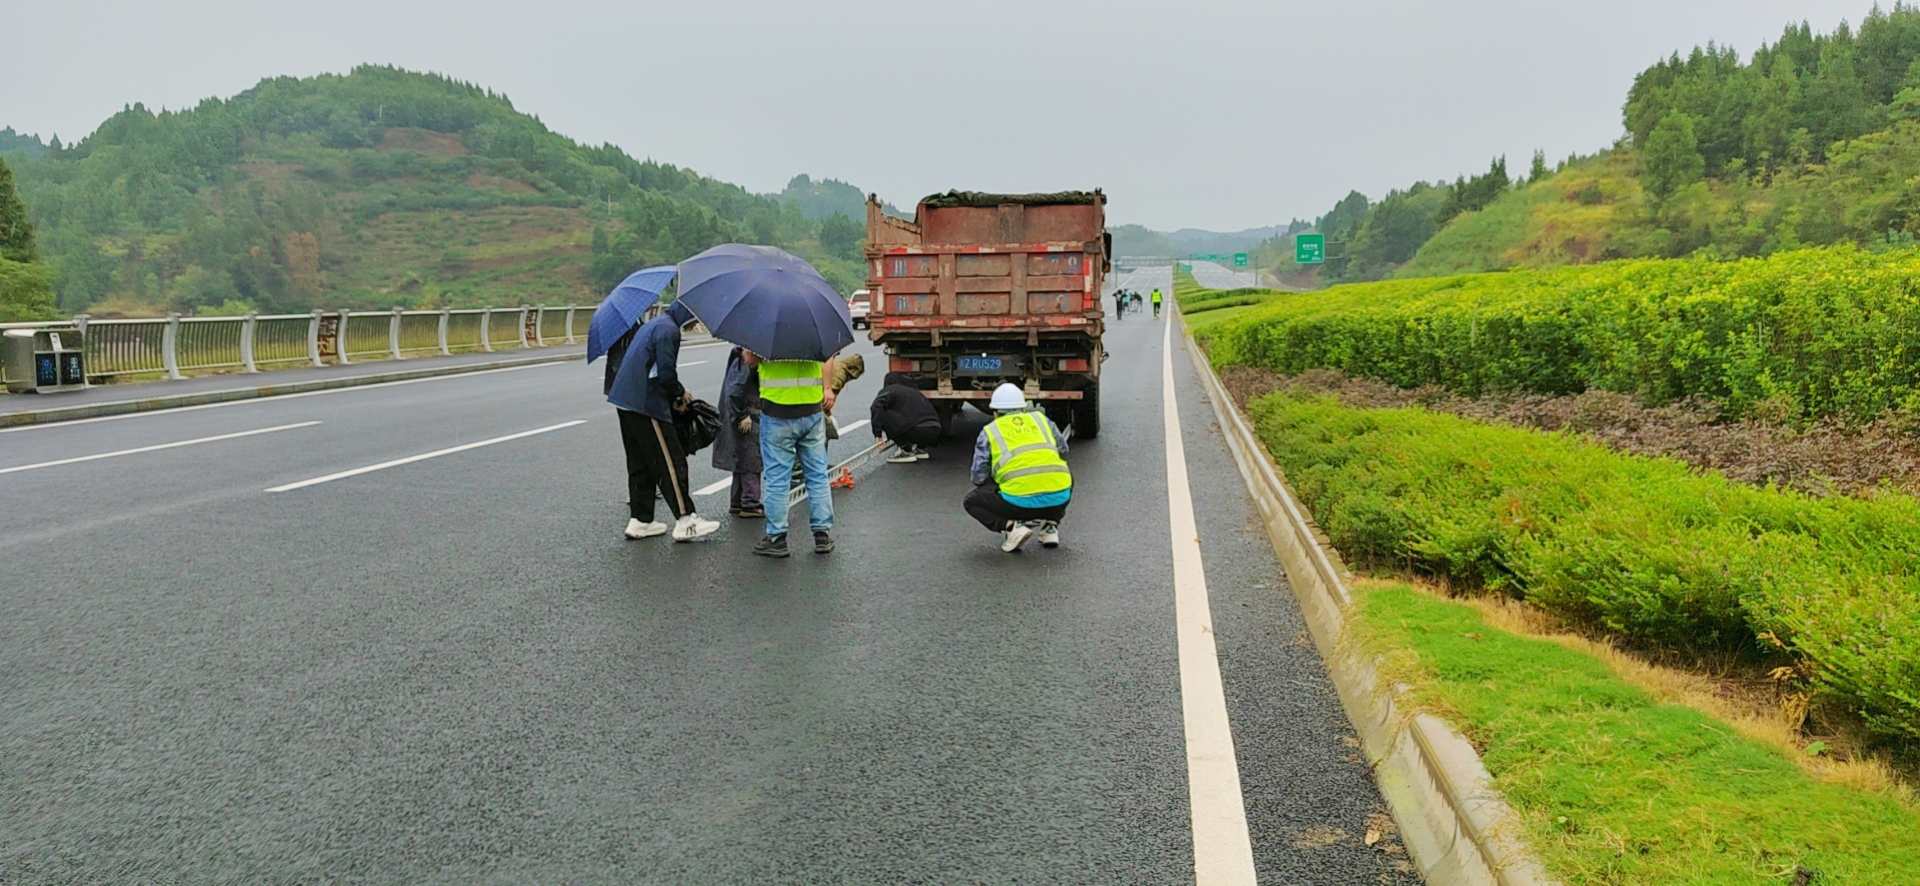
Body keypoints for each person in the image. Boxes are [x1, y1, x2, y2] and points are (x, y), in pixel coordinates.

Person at [606, 301, 720, 542]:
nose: (697, 324)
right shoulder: (669, 331)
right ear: (688, 315)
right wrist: (680, 394)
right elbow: (666, 374)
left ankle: (640, 520)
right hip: (646, 403)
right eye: (696, 318)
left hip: (625, 401)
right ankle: (686, 520)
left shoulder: (654, 324)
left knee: (641, 463)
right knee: (671, 460)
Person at [964, 383, 1072, 553]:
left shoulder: (990, 431)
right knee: (1062, 473)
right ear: (1023, 408)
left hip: (1017, 505)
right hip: (1058, 500)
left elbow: (978, 476)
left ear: (995, 412)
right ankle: (1050, 527)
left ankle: (1012, 527)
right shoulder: (1042, 420)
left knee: (971, 501)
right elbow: (1064, 452)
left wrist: (999, 479)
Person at [755, 354, 838, 558]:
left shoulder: (767, 329)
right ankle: (822, 535)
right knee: (817, 475)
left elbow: (750, 358)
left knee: (777, 478)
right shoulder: (812, 327)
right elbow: (828, 358)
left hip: (777, 411)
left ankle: (776, 538)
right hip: (811, 409)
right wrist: (827, 388)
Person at [713, 347, 763, 519]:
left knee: (742, 458)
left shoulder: (741, 357)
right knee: (751, 459)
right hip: (747, 416)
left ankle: (738, 502)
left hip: (741, 414)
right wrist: (742, 415)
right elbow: (734, 392)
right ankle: (750, 503)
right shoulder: (746, 360)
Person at [870, 372, 942, 463]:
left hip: (918, 430)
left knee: (883, 413)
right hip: (935, 431)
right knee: (915, 417)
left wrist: (877, 435)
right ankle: (920, 449)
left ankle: (906, 451)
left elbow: (876, 406)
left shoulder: (889, 390)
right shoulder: (914, 391)